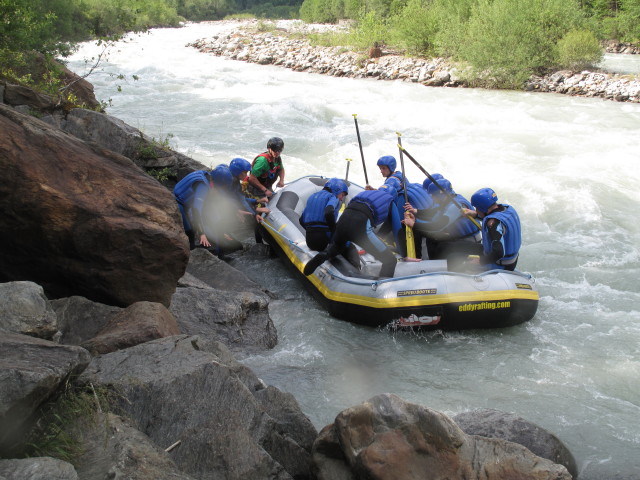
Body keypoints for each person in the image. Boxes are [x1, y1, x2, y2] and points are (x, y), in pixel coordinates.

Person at [303, 182, 400, 279]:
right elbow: (397, 229)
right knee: (390, 260)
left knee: (338, 247)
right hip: (360, 225)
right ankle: (381, 286)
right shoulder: (391, 201)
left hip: (344, 220)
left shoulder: (365, 193)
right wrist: (402, 252)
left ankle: (325, 254)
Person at [404, 178, 481, 259]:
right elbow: (434, 213)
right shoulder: (450, 199)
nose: (432, 197)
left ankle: (431, 264)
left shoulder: (455, 205)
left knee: (440, 246)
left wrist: (413, 224)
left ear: (440, 195)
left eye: (433, 195)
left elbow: (438, 226)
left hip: (469, 240)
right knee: (432, 238)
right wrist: (415, 211)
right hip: (458, 237)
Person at [173, 164, 233, 250]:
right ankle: (191, 252)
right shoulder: (203, 186)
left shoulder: (207, 176)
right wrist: (202, 234)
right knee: (189, 231)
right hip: (179, 202)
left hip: (186, 201)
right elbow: (196, 209)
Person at [461, 187, 522, 271]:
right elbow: (494, 217)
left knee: (458, 262)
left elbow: (498, 253)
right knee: (465, 247)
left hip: (501, 265)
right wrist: (475, 214)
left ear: (482, 208)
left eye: (476, 208)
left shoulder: (493, 225)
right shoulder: (508, 210)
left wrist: (481, 261)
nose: (476, 210)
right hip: (512, 260)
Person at [299, 178, 349, 251]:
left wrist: (312, 231)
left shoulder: (311, 196)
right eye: (342, 194)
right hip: (322, 240)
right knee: (345, 232)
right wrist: (334, 231)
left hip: (309, 241)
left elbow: (301, 220)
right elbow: (328, 212)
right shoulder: (333, 197)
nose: (341, 198)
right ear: (337, 189)